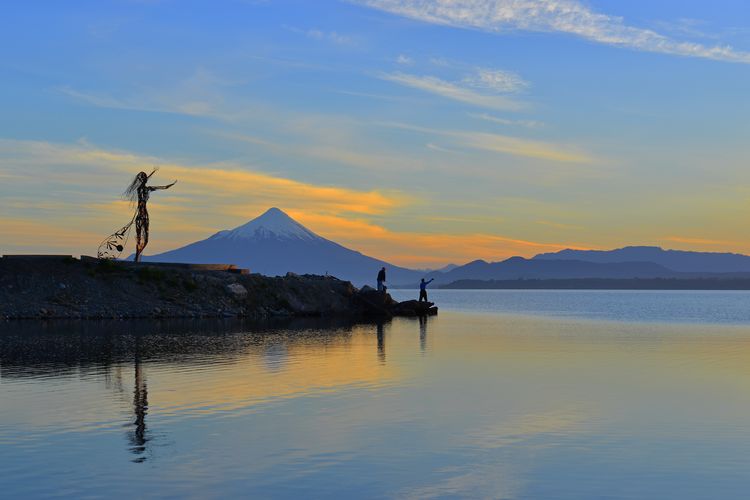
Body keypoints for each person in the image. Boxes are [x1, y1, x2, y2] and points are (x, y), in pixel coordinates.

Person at [124, 168, 177, 262]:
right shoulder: (140, 189)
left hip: (145, 214)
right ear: (140, 179)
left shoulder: (148, 189)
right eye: (143, 178)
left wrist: (170, 185)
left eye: (145, 178)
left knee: (146, 238)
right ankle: (137, 256)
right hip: (140, 214)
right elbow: (142, 198)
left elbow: (162, 187)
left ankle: (138, 254)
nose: (145, 179)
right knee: (139, 237)